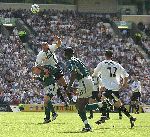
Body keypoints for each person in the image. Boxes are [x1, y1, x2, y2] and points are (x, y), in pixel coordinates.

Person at [92, 50, 136, 128]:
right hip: (115, 87)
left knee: (102, 99)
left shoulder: (102, 64)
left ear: (105, 55)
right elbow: (126, 75)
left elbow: (95, 74)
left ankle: (104, 116)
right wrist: (124, 83)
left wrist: (100, 82)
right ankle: (131, 118)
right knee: (119, 105)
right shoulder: (117, 64)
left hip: (109, 88)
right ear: (112, 56)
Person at [64, 47, 93, 132]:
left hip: (84, 81)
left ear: (66, 54)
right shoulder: (77, 59)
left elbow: (74, 73)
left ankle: (87, 126)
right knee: (83, 105)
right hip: (88, 80)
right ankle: (101, 105)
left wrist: (69, 86)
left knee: (79, 106)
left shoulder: (70, 61)